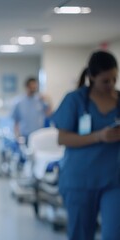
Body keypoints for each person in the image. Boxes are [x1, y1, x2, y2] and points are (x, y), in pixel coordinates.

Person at [51, 50, 120, 240]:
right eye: (105, 81)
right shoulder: (75, 100)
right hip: (80, 180)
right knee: (81, 235)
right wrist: (99, 136)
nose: (111, 85)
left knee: (115, 233)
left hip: (114, 180)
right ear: (91, 77)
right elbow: (62, 138)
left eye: (114, 79)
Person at [11, 77, 52, 143]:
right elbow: (16, 122)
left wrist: (49, 100)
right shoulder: (19, 102)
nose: (33, 88)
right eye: (31, 86)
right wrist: (17, 136)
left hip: (39, 135)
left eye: (35, 87)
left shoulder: (40, 100)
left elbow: (49, 114)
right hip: (25, 136)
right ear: (26, 87)